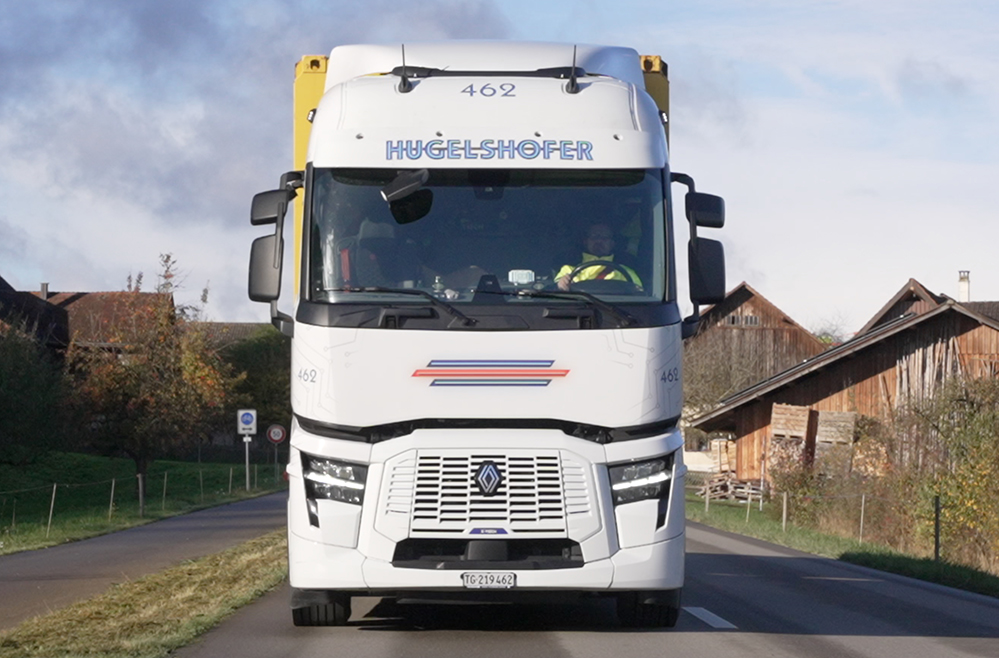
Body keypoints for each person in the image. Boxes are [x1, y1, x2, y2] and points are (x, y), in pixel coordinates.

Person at [555, 223, 641, 291]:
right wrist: (560, 285)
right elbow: (555, 295)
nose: (599, 241)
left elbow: (639, 295)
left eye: (605, 237)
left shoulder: (627, 272)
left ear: (612, 244)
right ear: (586, 242)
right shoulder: (568, 270)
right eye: (594, 236)